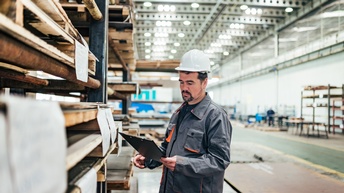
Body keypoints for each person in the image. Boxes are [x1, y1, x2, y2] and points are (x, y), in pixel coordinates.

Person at [133, 49, 232, 193]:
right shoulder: (179, 113)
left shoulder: (215, 116)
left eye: (190, 83)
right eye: (181, 82)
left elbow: (219, 160)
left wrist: (182, 164)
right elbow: (167, 148)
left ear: (204, 82)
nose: (184, 88)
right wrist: (148, 158)